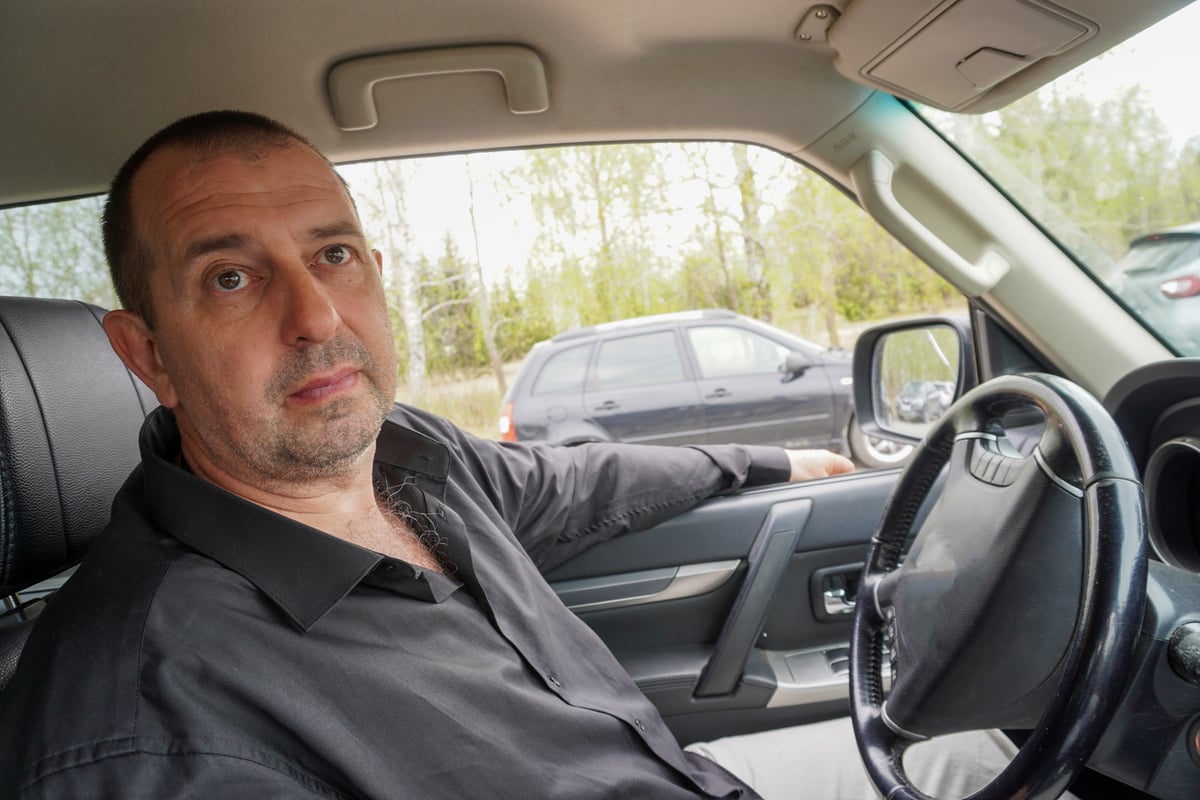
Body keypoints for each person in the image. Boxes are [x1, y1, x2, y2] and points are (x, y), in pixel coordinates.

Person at [0, 111, 1018, 799]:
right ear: (148, 355)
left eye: (333, 254)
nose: (315, 316)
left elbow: (575, 480)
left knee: (976, 740)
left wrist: (773, 462)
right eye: (229, 277)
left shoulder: (411, 456)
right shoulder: (147, 730)